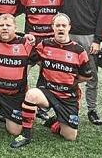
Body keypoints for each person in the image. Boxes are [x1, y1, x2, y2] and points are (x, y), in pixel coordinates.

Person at [10, 13, 93, 148]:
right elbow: (31, 60)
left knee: (70, 136)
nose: (60, 28)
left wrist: (69, 80)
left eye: (63, 26)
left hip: (67, 97)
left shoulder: (79, 51)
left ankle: (56, 123)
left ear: (69, 28)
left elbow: (87, 76)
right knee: (32, 94)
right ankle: (25, 135)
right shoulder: (44, 45)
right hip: (47, 92)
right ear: (53, 27)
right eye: (57, 25)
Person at [47, 0, 102, 125]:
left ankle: (92, 110)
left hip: (88, 38)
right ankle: (60, 109)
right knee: (64, 75)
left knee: (91, 75)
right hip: (67, 37)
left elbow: (101, 15)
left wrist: (97, 40)